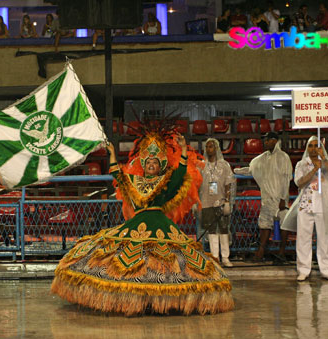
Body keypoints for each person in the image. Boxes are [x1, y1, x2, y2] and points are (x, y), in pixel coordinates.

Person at [51, 123, 234, 316]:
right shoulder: (134, 182)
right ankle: (133, 298)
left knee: (171, 262)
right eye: (148, 163)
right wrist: (112, 153)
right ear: (143, 166)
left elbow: (180, 173)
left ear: (160, 166)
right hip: (136, 226)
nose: (151, 165)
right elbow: (117, 175)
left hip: (162, 225)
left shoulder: (165, 183)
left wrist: (181, 149)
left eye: (155, 163)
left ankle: (162, 298)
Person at [282, 137, 328, 282]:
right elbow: (299, 183)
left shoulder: (327, 163)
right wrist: (314, 169)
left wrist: (324, 161)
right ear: (307, 148)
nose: (314, 149)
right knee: (303, 239)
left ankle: (327, 270)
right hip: (305, 206)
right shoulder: (302, 164)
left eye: (317, 146)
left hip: (323, 206)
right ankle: (303, 270)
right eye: (311, 146)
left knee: (325, 239)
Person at [234, 132, 292, 263]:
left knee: (284, 225)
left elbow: (286, 178)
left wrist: (283, 198)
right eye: (265, 140)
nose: (266, 142)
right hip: (267, 198)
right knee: (264, 225)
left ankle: (281, 253)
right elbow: (251, 169)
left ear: (275, 141)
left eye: (269, 140)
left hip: (280, 198)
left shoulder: (283, 157)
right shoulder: (262, 158)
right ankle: (261, 252)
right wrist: (235, 171)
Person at [198, 138, 236, 268]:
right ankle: (215, 258)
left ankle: (225, 257)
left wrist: (227, 201)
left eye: (211, 147)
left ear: (217, 148)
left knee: (224, 229)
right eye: (207, 147)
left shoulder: (224, 165)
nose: (209, 149)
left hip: (221, 201)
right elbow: (196, 184)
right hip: (206, 202)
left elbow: (228, 184)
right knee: (211, 230)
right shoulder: (201, 166)